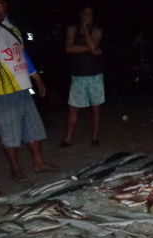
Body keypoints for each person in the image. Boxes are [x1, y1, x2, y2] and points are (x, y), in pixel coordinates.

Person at [0, 0, 58, 183]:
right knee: (9, 132)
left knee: (33, 127)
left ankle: (39, 163)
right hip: (3, 90)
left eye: (1, 4)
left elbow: (23, 55)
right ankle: (15, 169)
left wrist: (37, 79)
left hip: (23, 86)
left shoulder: (13, 27)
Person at [58, 4, 104, 149]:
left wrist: (85, 31)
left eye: (90, 14)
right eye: (85, 14)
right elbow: (68, 48)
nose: (87, 17)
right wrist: (92, 49)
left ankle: (95, 137)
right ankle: (68, 138)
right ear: (80, 14)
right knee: (73, 108)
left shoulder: (97, 30)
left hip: (95, 74)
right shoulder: (72, 29)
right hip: (78, 75)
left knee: (96, 107)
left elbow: (93, 44)